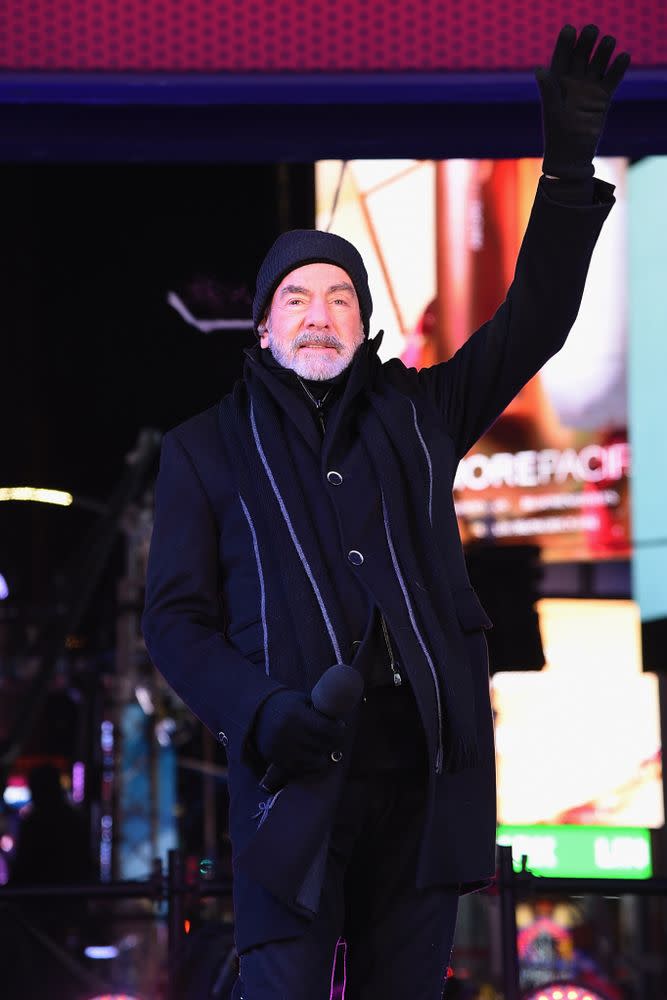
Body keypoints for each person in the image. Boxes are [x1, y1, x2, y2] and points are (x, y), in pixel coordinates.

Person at [142, 25, 629, 999]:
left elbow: (534, 318)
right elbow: (174, 620)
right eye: (296, 297)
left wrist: (567, 166)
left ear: (363, 322)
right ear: (264, 324)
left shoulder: (418, 411)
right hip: (292, 776)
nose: (317, 313)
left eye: (337, 296)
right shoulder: (206, 445)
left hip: (425, 773)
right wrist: (261, 709)